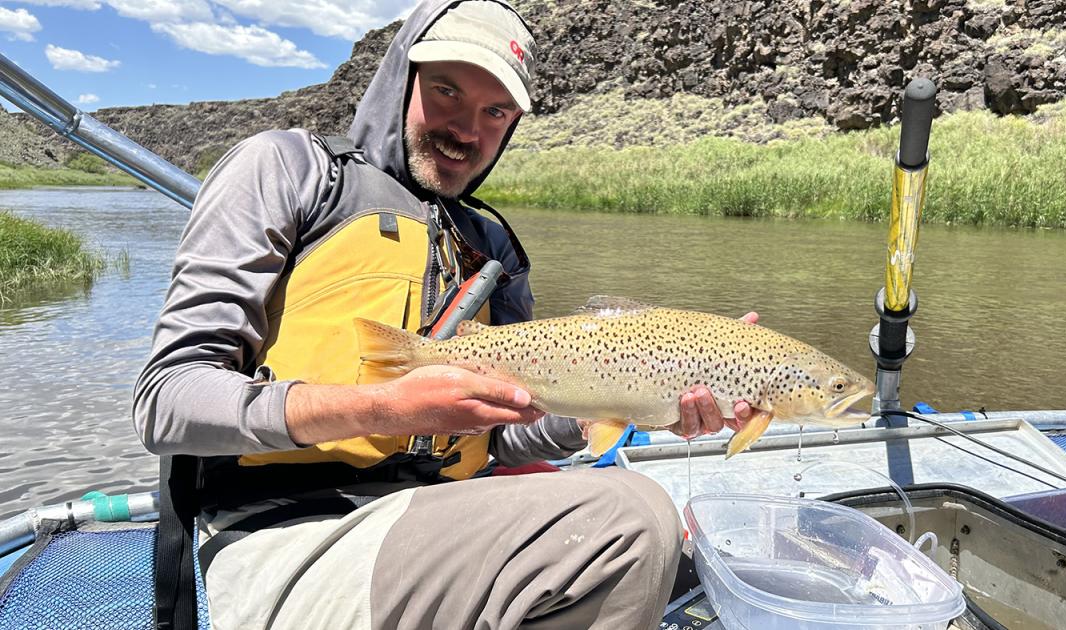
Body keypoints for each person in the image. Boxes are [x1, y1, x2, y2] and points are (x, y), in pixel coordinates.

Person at [133, 1, 753, 628]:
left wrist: (625, 403)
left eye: (495, 112)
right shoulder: (286, 168)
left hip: (435, 519)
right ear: (400, 79)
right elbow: (167, 404)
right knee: (632, 517)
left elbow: (501, 445)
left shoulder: (494, 247)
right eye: (447, 91)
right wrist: (387, 408)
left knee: (673, 546)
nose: (466, 130)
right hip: (283, 537)